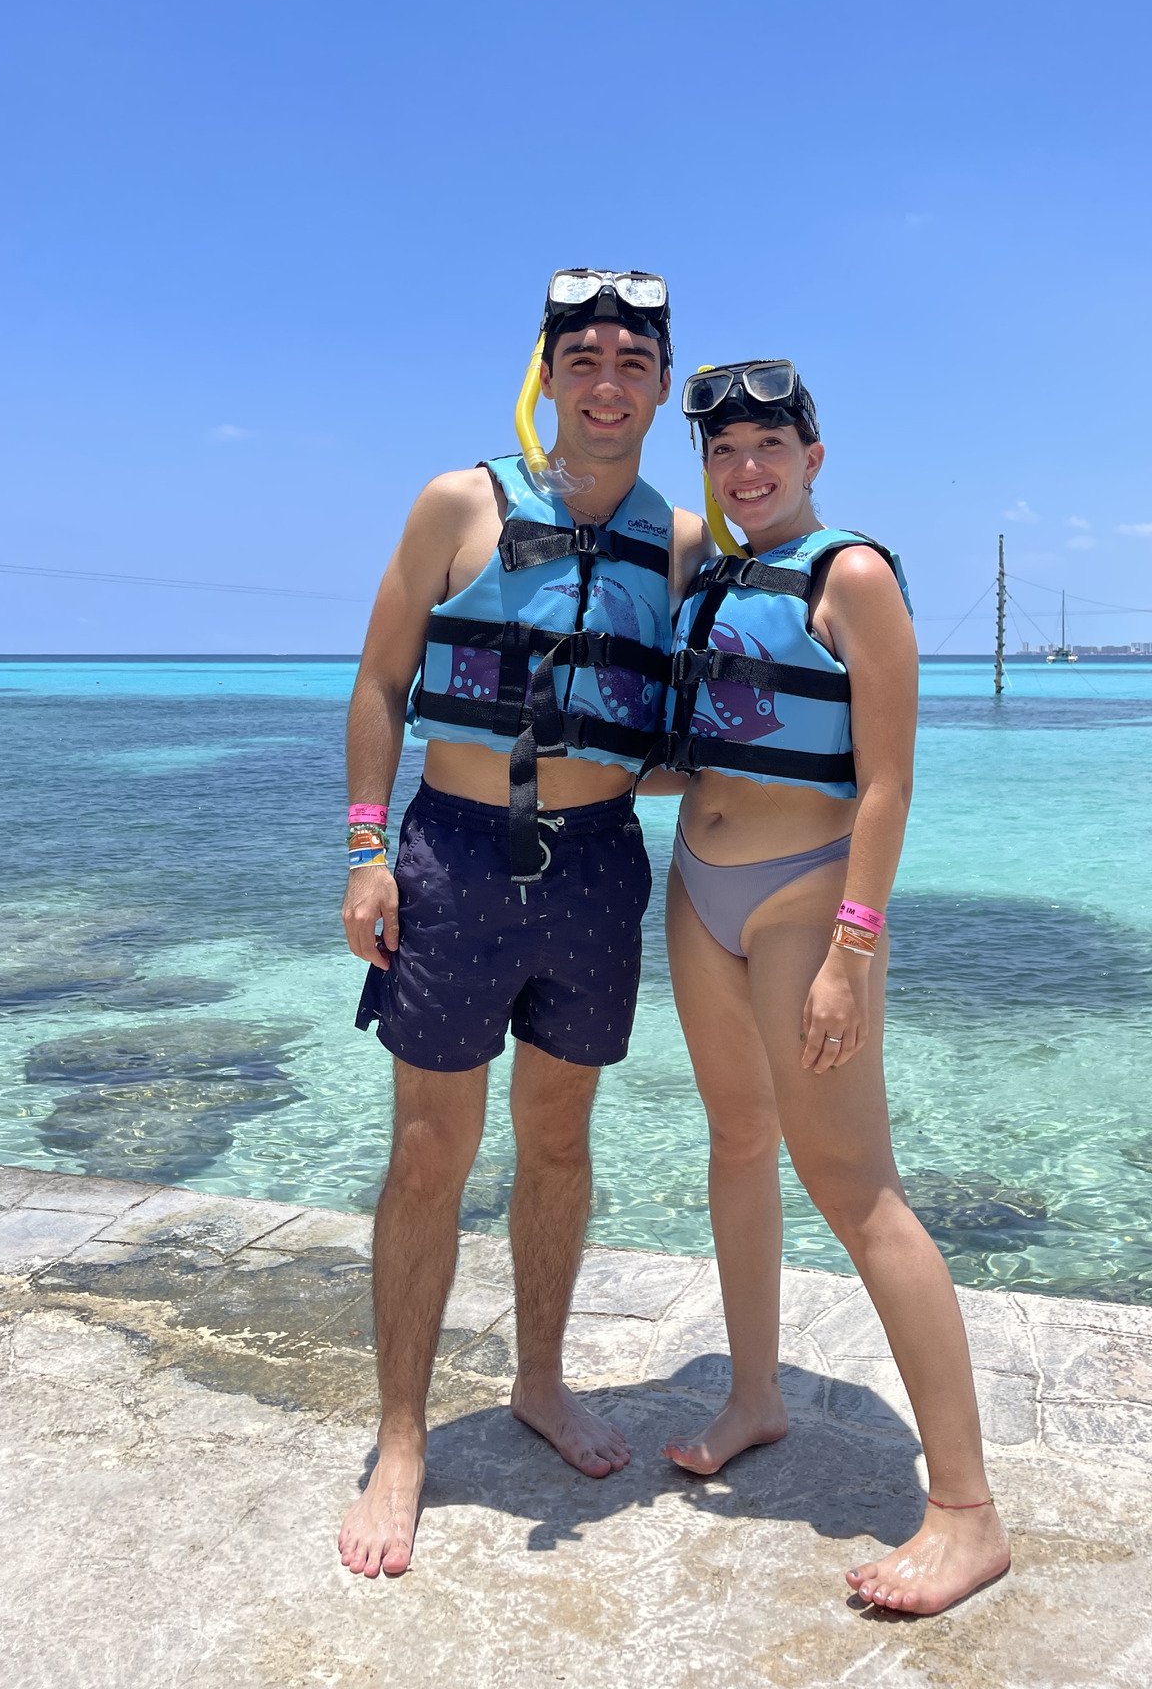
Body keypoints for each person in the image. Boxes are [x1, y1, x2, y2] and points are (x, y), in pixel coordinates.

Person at [336, 270, 707, 1580]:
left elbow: (691, 735)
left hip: (599, 867)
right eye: (584, 359)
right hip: (451, 857)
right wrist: (367, 852)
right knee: (431, 1156)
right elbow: (384, 681)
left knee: (557, 1146)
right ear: (549, 376)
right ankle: (401, 1434)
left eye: (633, 363)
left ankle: (540, 1382)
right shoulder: (463, 503)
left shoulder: (678, 545)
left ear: (663, 388)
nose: (608, 382)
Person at [656, 359, 1011, 1615]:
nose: (745, 469)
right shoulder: (711, 580)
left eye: (768, 446)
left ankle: (967, 1510)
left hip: (809, 899)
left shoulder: (847, 576)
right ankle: (755, 1394)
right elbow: (703, 742)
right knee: (738, 1141)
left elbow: (886, 783)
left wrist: (855, 953)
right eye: (723, 452)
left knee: (858, 1189)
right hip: (695, 889)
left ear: (814, 454)